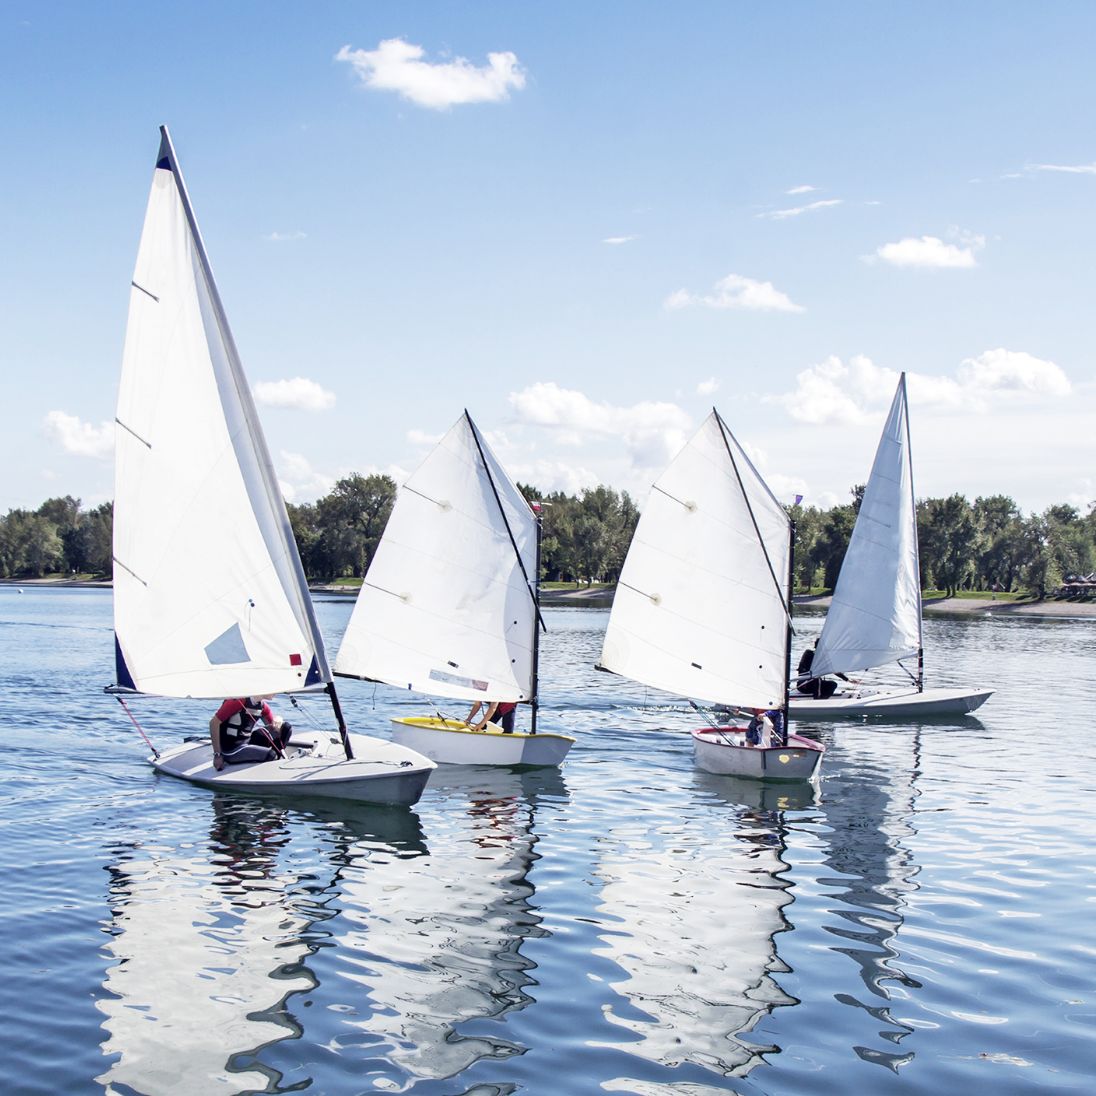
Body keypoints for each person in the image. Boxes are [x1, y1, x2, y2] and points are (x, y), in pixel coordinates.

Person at [210, 696, 292, 771]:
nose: (276, 693)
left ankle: (277, 759)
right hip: (231, 749)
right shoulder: (237, 701)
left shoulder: (262, 706)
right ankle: (272, 759)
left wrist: (278, 719)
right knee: (270, 754)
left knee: (286, 727)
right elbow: (214, 723)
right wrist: (217, 755)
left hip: (247, 742)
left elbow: (275, 728)